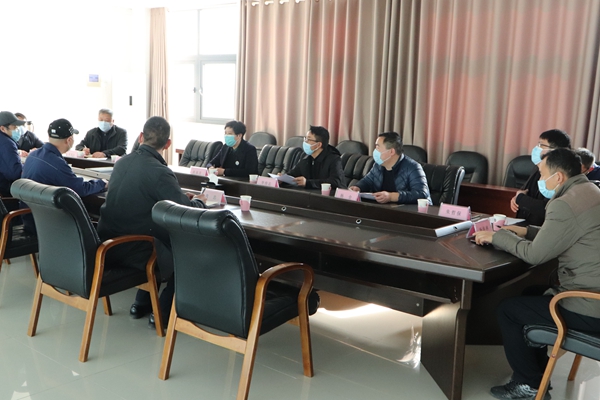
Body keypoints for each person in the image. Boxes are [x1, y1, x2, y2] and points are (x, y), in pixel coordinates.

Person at [475, 148, 600, 400]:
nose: (540, 180)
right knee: (531, 293)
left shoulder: (564, 204)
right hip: (593, 294)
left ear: (558, 177)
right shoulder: (590, 191)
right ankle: (538, 375)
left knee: (508, 310)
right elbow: (567, 233)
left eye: (542, 174)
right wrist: (526, 231)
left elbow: (534, 255)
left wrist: (499, 237)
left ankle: (528, 385)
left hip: (589, 306)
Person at [97, 116, 206, 327]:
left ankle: (141, 303)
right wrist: (200, 202)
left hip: (107, 242)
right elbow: (184, 211)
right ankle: (162, 312)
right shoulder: (160, 172)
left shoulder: (121, 163)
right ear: (168, 144)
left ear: (141, 137)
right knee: (188, 251)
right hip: (135, 248)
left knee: (155, 236)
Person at [21, 118, 107, 234]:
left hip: (31, 218)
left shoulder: (33, 155)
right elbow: (79, 189)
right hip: (48, 225)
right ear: (69, 140)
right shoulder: (55, 163)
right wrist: (102, 183)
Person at [349, 132, 431, 204]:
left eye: (378, 147)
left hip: (409, 212)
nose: (375, 151)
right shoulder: (379, 164)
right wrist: (358, 187)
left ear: (391, 151)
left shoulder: (413, 167)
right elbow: (368, 180)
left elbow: (421, 194)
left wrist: (391, 197)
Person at [509, 129, 571, 226]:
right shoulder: (539, 167)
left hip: (543, 227)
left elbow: (548, 208)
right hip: (525, 223)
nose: (536, 148)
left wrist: (521, 198)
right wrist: (516, 198)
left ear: (555, 150)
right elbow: (525, 190)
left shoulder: (560, 174)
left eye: (541, 145)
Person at [0, 111, 26, 197]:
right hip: (6, 192)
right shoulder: (7, 143)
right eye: (15, 127)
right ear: (3, 129)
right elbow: (16, 174)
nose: (17, 130)